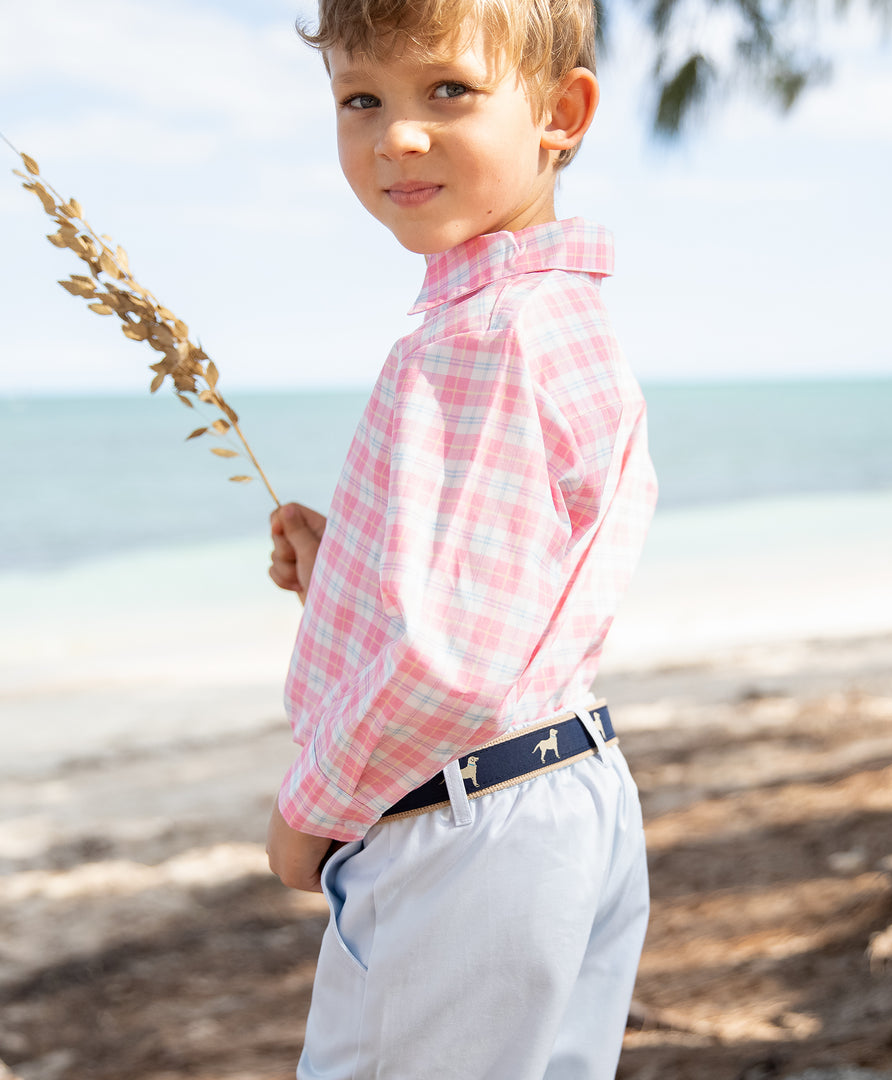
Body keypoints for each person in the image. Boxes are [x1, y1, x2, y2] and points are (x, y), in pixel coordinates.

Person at [265, 0, 657, 1075]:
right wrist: (349, 566)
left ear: (560, 112)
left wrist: (316, 803)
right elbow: (516, 585)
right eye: (362, 99)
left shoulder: (480, 338)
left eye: (448, 90)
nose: (396, 134)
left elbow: (454, 661)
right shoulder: (559, 314)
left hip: (466, 822)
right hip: (569, 788)